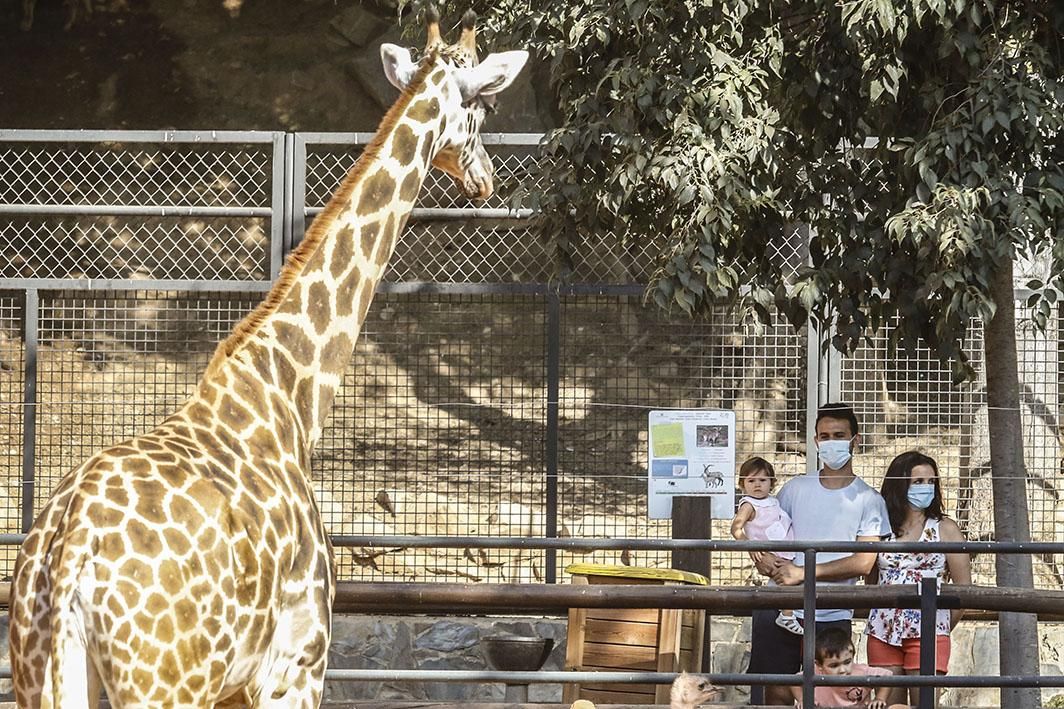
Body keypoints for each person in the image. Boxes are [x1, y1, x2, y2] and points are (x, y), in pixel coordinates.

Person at [746, 403, 891, 705]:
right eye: (824, 436)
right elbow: (765, 534)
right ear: (815, 441)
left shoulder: (869, 499)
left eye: (839, 435)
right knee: (772, 690)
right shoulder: (794, 489)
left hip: (833, 612)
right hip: (780, 605)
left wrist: (803, 572)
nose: (831, 442)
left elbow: (864, 561)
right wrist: (765, 560)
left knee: (831, 697)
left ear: (856, 439)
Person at [866, 451, 972, 706]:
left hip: (928, 631)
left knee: (924, 703)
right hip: (882, 631)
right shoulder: (880, 526)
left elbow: (964, 589)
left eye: (931, 482)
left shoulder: (945, 528)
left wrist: (940, 626)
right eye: (918, 482)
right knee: (888, 705)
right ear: (900, 484)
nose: (926, 488)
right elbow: (870, 579)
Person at [730, 456, 803, 634]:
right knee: (786, 582)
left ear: (772, 483)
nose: (757, 485)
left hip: (784, 550)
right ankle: (786, 616)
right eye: (751, 481)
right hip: (769, 553)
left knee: (788, 582)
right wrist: (750, 546)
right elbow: (736, 528)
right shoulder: (748, 505)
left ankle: (786, 613)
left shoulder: (773, 501)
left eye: (762, 480)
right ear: (742, 484)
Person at [789, 627, 905, 709]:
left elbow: (887, 676)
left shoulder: (861, 671)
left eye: (847, 662)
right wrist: (803, 699)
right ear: (819, 665)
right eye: (834, 665)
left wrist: (879, 698)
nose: (843, 670)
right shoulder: (814, 672)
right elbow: (794, 682)